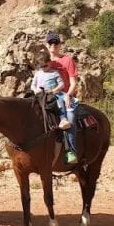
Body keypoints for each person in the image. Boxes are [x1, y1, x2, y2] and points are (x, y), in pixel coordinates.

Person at [31, 52, 78, 164]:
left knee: (59, 103)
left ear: (49, 63)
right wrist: (35, 90)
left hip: (54, 94)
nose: (44, 68)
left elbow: (61, 84)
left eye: (46, 65)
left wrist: (53, 90)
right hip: (41, 96)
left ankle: (63, 119)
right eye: (41, 66)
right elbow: (33, 85)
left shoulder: (54, 73)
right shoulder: (38, 74)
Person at [44, 32, 80, 164]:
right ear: (46, 45)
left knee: (69, 119)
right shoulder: (45, 61)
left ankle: (71, 151)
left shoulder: (67, 60)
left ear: (60, 45)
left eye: (56, 43)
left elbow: (73, 83)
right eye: (50, 43)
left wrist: (68, 95)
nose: (53, 45)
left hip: (64, 96)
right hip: (47, 97)